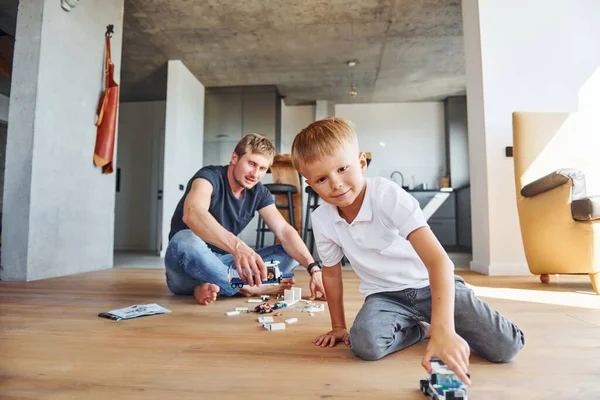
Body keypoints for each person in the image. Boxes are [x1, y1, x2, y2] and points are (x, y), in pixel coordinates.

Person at [290, 118, 524, 385]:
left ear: (362, 163)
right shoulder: (322, 220)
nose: (336, 184)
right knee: (364, 344)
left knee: (506, 347)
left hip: (429, 285)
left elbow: (439, 261)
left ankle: (441, 321)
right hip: (385, 297)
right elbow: (331, 275)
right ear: (310, 184)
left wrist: (443, 330)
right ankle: (419, 330)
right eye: (322, 179)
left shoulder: (386, 196)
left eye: (343, 169)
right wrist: (338, 326)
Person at [165, 133, 326, 305]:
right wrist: (238, 247)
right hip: (186, 267)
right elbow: (193, 213)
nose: (255, 174)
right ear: (235, 157)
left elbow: (284, 231)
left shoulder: (258, 192)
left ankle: (212, 286)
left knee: (292, 252)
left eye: (262, 169)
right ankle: (246, 287)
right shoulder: (208, 177)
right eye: (251, 164)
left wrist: (314, 269)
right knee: (184, 239)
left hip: (224, 265)